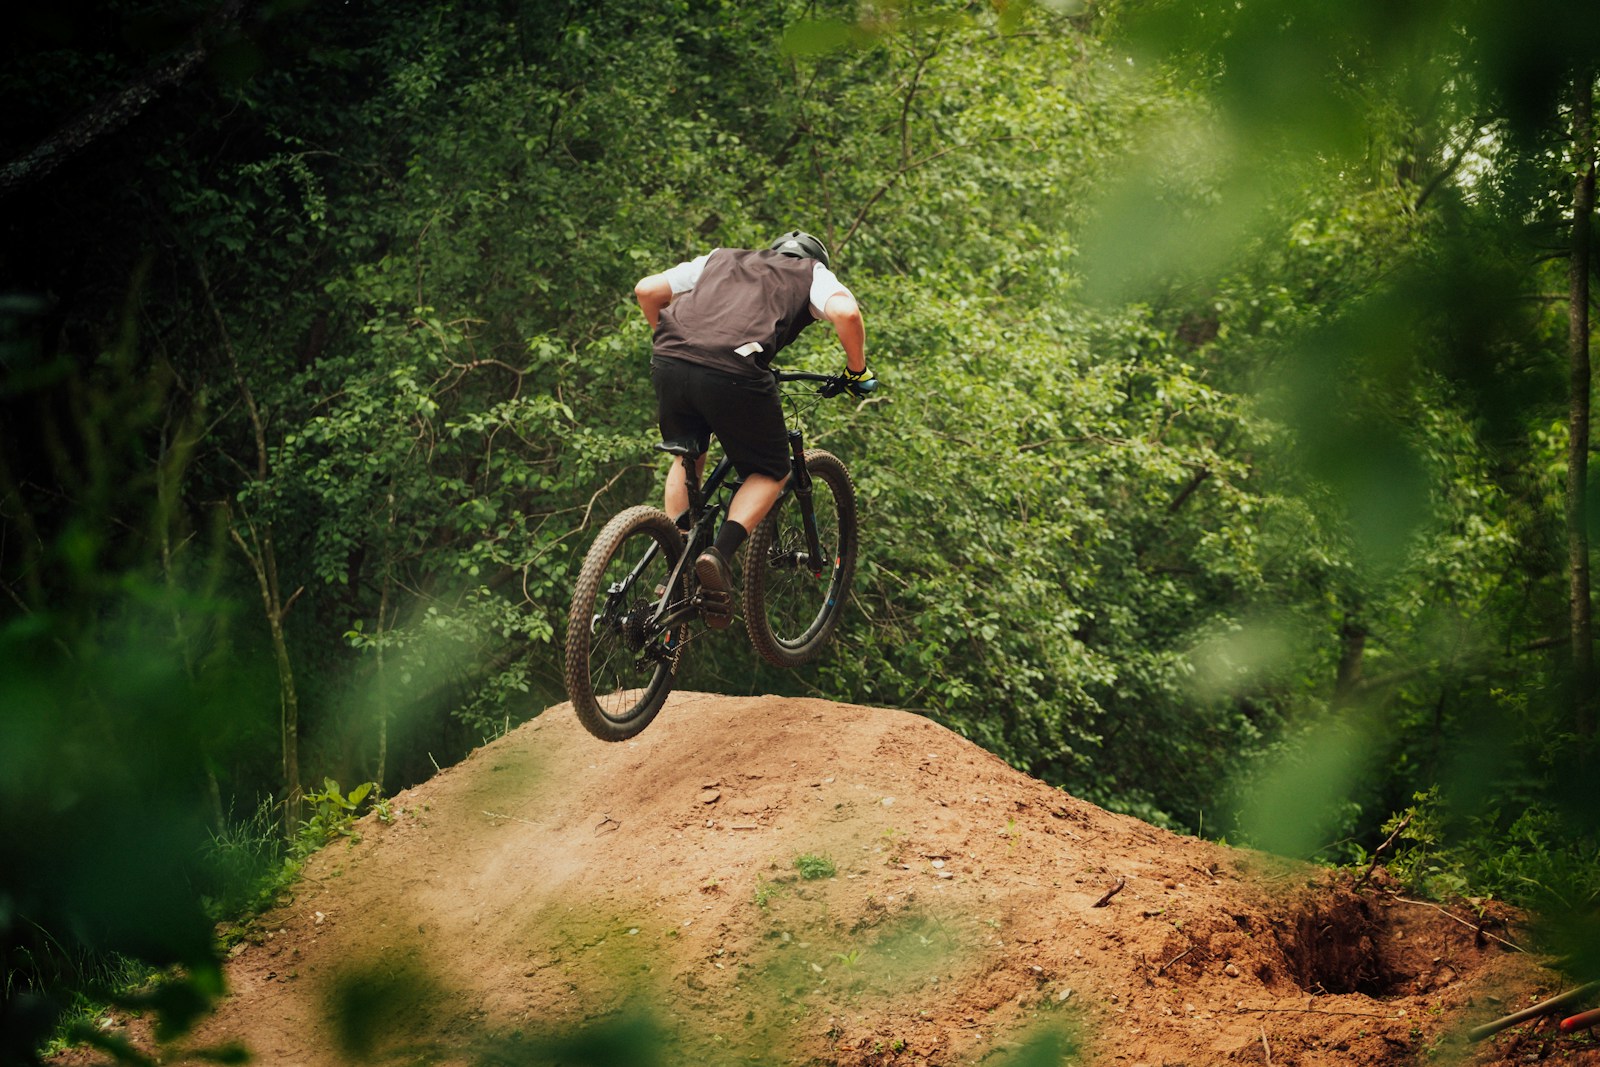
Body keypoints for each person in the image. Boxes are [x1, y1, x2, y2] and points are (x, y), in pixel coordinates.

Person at [634, 230, 873, 628]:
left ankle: (678, 556)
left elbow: (647, 290)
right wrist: (856, 371)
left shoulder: (720, 257)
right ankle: (718, 554)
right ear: (814, 259)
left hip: (669, 359)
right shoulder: (811, 273)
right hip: (734, 371)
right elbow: (847, 314)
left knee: (687, 452)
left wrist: (678, 347)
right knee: (771, 470)